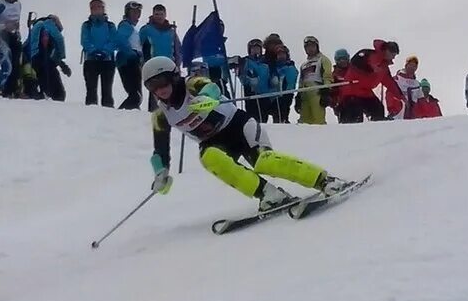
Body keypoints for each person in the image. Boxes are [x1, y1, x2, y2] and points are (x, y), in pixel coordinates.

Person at [142, 56, 350, 212]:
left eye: (162, 81)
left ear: (174, 76)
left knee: (264, 161)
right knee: (208, 158)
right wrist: (161, 173)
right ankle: (268, 194)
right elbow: (160, 149)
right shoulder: (160, 115)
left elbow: (211, 88)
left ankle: (325, 180)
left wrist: (205, 98)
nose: (159, 89)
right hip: (213, 141)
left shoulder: (191, 84)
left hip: (238, 126)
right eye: (152, 85)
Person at [343, 40, 403, 122]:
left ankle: (377, 131)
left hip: (366, 93)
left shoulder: (384, 68)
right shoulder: (370, 55)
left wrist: (401, 97)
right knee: (355, 116)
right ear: (387, 50)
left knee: (378, 109)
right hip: (352, 91)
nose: (394, 57)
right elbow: (365, 61)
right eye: (393, 54)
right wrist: (373, 67)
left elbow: (390, 83)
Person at [139, 4, 182, 111]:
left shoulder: (171, 31)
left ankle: (174, 112)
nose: (159, 16)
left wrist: (178, 65)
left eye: (161, 14)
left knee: (172, 91)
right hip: (153, 66)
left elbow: (178, 49)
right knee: (156, 91)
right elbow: (139, 46)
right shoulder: (146, 30)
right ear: (153, 15)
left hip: (169, 66)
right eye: (156, 14)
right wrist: (142, 63)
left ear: (165, 15)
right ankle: (155, 113)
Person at [81, 0, 118, 107]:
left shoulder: (110, 25)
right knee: (91, 89)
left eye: (99, 7)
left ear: (103, 9)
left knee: (107, 90)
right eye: (93, 7)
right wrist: (93, 51)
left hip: (107, 61)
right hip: (91, 60)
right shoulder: (87, 25)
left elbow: (114, 41)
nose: (96, 9)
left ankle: (108, 113)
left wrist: (105, 52)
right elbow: (84, 40)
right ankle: (91, 113)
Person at [26, 14, 69, 101]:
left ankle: (42, 94)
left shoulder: (36, 28)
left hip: (34, 59)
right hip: (43, 57)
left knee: (43, 79)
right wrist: (61, 56)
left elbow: (27, 45)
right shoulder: (48, 23)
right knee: (58, 92)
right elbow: (59, 39)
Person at [0, 0, 23, 97]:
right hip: (1, 37)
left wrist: (17, 30)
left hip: (14, 37)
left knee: (16, 64)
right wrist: (5, 26)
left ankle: (12, 90)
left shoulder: (18, 4)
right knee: (7, 64)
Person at [296, 35, 333, 125]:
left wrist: (326, 91)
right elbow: (301, 81)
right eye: (307, 47)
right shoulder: (304, 64)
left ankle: (320, 136)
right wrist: (298, 95)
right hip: (305, 93)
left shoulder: (323, 59)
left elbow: (327, 75)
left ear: (317, 47)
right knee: (303, 121)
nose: (310, 49)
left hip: (317, 91)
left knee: (318, 119)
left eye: (312, 46)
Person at [116, 1, 144, 109]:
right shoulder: (125, 25)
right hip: (128, 61)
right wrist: (132, 54)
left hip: (131, 61)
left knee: (136, 95)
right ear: (128, 12)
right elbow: (120, 39)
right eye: (134, 12)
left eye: (139, 12)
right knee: (135, 95)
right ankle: (118, 115)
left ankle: (133, 116)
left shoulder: (131, 27)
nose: (137, 15)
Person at [239, 38, 271, 122]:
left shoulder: (266, 62)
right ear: (250, 50)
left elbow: (270, 76)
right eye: (253, 48)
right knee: (253, 117)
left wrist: (274, 82)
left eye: (258, 48)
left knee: (263, 118)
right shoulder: (246, 61)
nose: (256, 50)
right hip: (251, 93)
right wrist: (249, 80)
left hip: (264, 94)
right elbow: (241, 76)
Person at [267, 44, 298, 123]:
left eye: (283, 54)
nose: (281, 56)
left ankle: (284, 122)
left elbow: (292, 79)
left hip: (286, 93)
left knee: (283, 113)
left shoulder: (290, 66)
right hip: (275, 96)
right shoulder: (273, 68)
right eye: (279, 54)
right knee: (277, 115)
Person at [330, 48, 362, 123]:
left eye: (344, 59)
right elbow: (332, 91)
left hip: (356, 103)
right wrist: (334, 104)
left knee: (358, 124)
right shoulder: (334, 75)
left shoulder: (354, 71)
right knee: (345, 124)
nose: (342, 61)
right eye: (339, 59)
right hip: (342, 105)